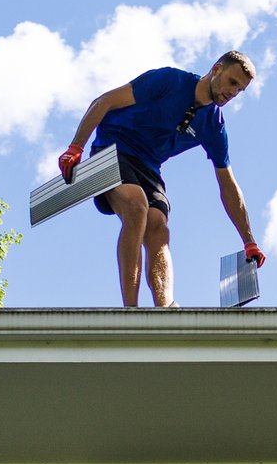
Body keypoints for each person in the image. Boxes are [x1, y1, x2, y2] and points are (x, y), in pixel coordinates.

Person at [59, 50, 265, 307]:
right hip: (113, 149)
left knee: (159, 225)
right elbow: (104, 101)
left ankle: (166, 309)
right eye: (232, 82)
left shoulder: (213, 124)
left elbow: (229, 186)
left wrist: (249, 241)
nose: (233, 93)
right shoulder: (170, 81)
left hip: (149, 167)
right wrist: (75, 147)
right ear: (217, 69)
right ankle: (130, 310)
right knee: (137, 207)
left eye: (240, 90)